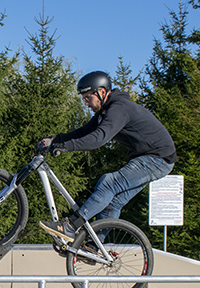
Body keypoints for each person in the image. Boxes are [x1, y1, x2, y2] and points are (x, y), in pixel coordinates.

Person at [38, 70, 177, 242]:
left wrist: (65, 147)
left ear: (102, 92)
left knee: (109, 183)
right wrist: (55, 139)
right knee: (113, 202)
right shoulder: (105, 112)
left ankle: (71, 226)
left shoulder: (119, 109)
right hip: (152, 158)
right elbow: (83, 132)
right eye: (84, 99)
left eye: (88, 98)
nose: (86, 103)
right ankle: (95, 245)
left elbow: (98, 138)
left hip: (158, 158)